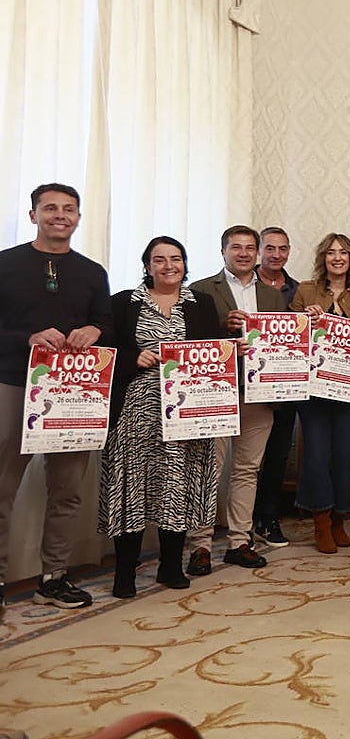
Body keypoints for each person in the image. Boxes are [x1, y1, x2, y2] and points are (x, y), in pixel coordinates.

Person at [0, 184, 112, 615]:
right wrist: (26, 339)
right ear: (33, 216)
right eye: (50, 209)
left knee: (67, 491)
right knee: (2, 487)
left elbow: (107, 323)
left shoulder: (92, 272)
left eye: (69, 209)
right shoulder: (6, 265)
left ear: (79, 219)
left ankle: (54, 577)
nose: (59, 216)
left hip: (75, 393)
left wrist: (95, 332)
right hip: (14, 384)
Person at [101, 236, 222, 598]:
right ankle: (124, 572)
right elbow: (104, 348)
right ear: (147, 265)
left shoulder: (202, 303)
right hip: (135, 409)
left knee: (177, 485)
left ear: (185, 264)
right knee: (131, 486)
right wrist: (130, 357)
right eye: (159, 259)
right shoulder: (124, 302)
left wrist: (235, 349)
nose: (169, 265)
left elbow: (212, 351)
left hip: (186, 410)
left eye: (176, 259)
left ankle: (170, 567)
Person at [188, 225, 288, 574]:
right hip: (214, 392)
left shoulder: (274, 296)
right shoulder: (200, 290)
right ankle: (199, 544)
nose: (244, 253)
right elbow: (189, 344)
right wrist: (223, 329)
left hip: (259, 394)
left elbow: (284, 344)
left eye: (250, 248)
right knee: (206, 468)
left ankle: (239, 541)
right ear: (223, 252)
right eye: (236, 247)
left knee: (248, 469)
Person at [291, 233, 350, 553]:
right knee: (316, 453)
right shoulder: (306, 290)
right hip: (312, 388)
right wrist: (305, 319)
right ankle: (321, 520)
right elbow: (288, 336)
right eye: (331, 253)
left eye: (343, 253)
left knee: (343, 454)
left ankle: (339, 517)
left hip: (347, 387)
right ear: (323, 258)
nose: (337, 258)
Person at [252, 226, 301, 549]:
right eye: (270, 248)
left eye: (282, 249)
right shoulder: (244, 284)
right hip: (243, 384)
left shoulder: (297, 290)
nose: (276, 255)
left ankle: (267, 517)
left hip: (283, 386)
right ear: (259, 250)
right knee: (245, 460)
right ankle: (240, 520)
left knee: (277, 454)